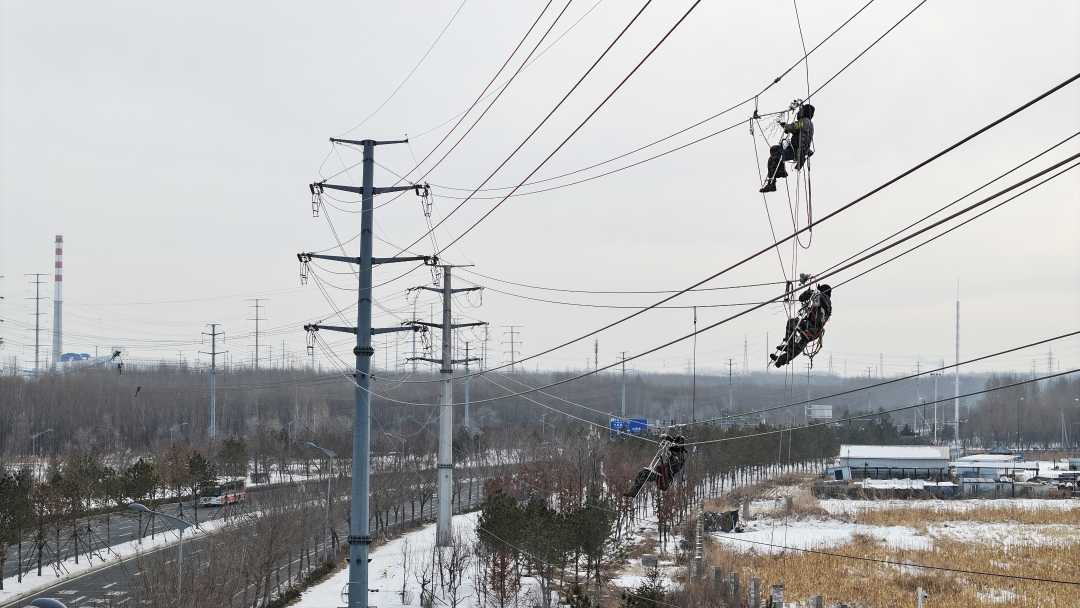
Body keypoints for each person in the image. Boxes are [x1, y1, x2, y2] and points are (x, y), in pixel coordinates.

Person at [770, 283, 832, 368]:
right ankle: (785, 353)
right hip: (810, 327)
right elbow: (801, 298)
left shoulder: (825, 300)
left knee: (796, 338)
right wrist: (808, 293)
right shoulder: (821, 299)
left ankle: (785, 354)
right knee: (793, 327)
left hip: (812, 328)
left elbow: (820, 298)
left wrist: (812, 293)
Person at [624, 434, 688, 497]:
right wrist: (667, 438)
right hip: (660, 475)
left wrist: (671, 456)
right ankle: (633, 492)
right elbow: (671, 443)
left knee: (645, 474)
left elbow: (675, 467)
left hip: (665, 478)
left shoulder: (680, 457)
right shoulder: (673, 452)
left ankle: (633, 492)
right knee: (642, 473)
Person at [780, 104, 815, 171]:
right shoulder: (810, 124)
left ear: (804, 111)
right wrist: (788, 129)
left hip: (796, 151)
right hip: (802, 151)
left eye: (800, 111)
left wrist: (784, 125)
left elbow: (793, 127)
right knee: (780, 153)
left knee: (776, 151)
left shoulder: (803, 121)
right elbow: (798, 131)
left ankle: (777, 174)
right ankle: (778, 172)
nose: (798, 113)